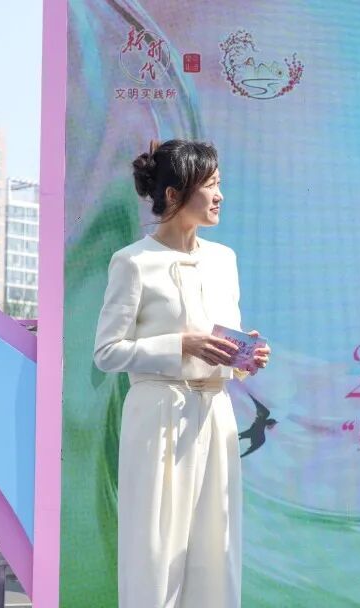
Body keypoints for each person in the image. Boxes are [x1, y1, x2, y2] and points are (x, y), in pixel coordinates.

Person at [94, 139, 270, 608]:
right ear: (173, 194)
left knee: (217, 547)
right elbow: (107, 352)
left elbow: (222, 345)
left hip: (215, 414)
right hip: (158, 415)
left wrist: (245, 358)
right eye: (210, 185)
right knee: (155, 549)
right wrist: (180, 344)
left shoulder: (224, 259)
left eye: (219, 184)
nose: (219, 195)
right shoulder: (133, 262)